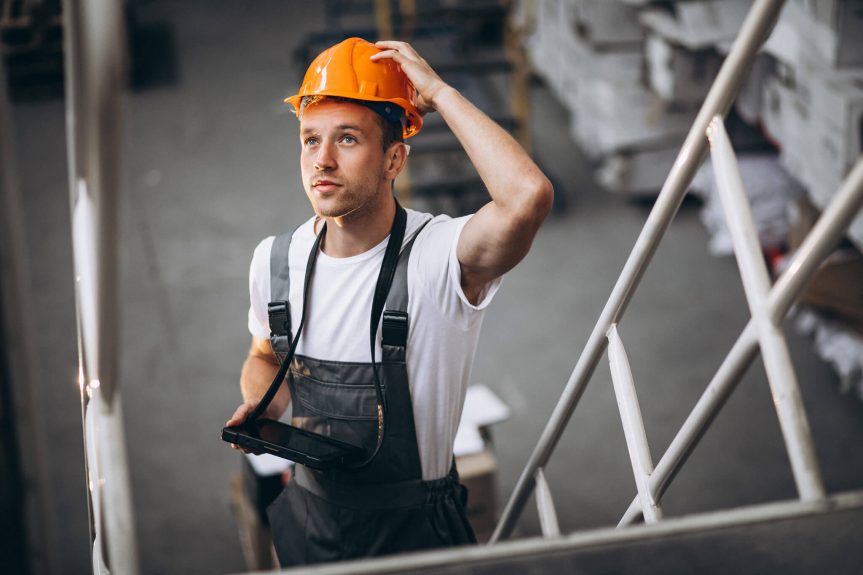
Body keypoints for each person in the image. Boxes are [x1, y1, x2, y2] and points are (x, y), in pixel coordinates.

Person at [225, 37, 553, 567]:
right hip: (310, 522)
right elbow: (264, 354)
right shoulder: (275, 260)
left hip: (416, 535)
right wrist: (266, 407)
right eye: (311, 140)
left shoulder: (439, 259)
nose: (322, 160)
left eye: (348, 139)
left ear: (394, 157)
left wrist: (440, 93)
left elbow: (527, 197)